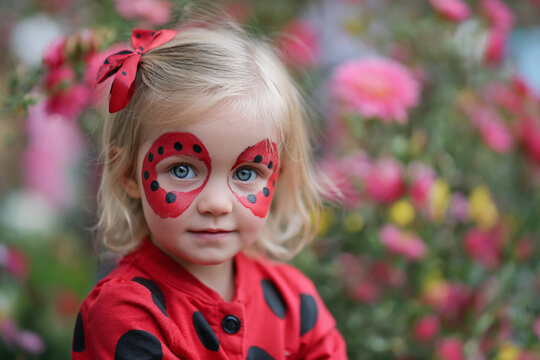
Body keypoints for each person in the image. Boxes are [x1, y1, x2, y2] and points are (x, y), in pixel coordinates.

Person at [72, 15, 347, 360]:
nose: (217, 204)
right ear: (127, 172)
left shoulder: (294, 301)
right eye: (183, 169)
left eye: (246, 173)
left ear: (278, 176)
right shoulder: (124, 313)